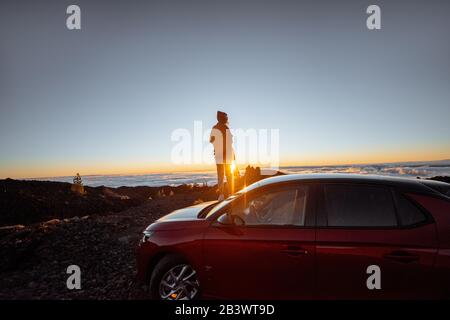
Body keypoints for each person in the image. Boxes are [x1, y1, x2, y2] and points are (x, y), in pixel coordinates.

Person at [210, 111, 235, 200]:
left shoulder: (215, 127)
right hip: (227, 154)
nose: (227, 119)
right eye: (226, 117)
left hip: (219, 154)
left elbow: (211, 140)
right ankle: (231, 193)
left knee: (220, 175)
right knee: (229, 174)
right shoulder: (225, 127)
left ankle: (221, 195)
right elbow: (231, 142)